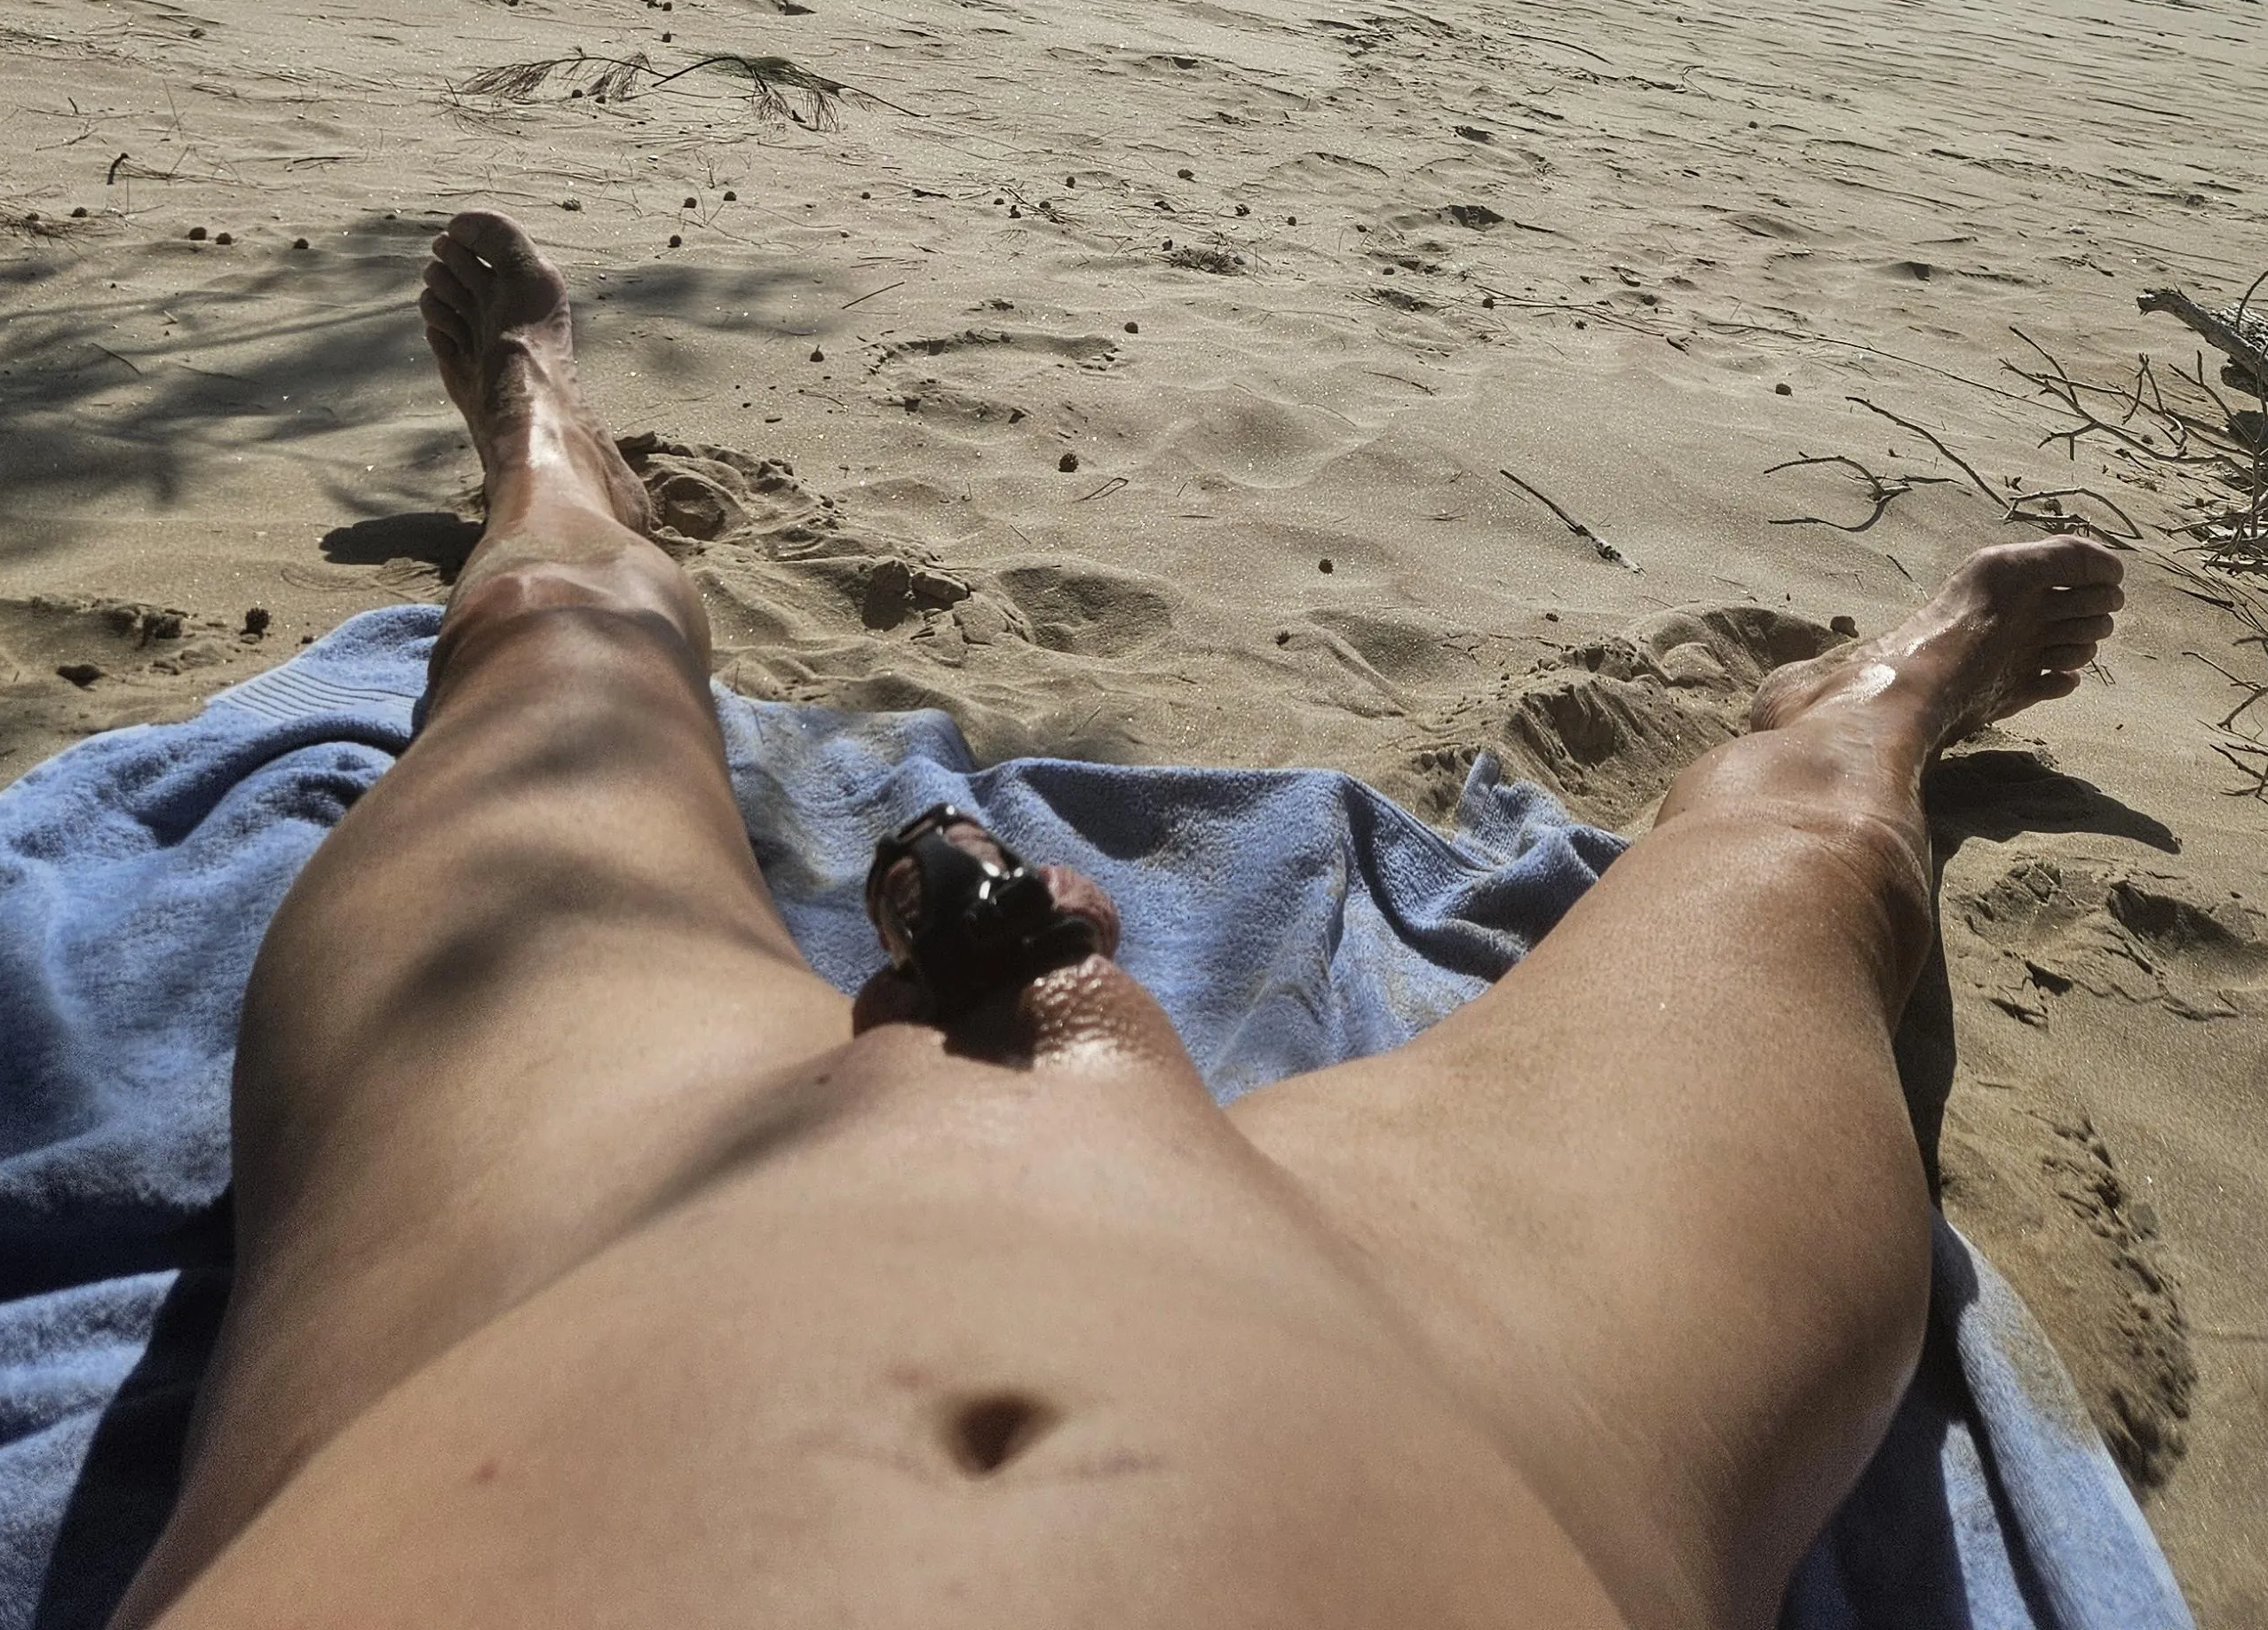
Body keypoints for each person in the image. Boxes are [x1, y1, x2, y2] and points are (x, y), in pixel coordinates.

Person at [108, 210, 2125, 1630]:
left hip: (537, 1255)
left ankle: (562, 498)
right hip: (1487, 1383)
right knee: (1809, 878)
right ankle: (1869, 716)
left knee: (551, 668)